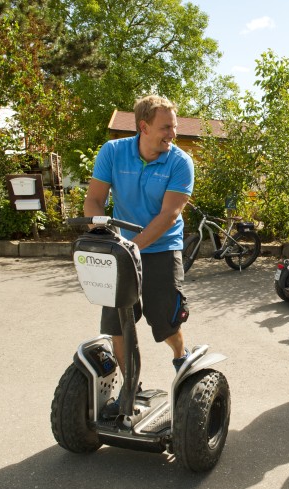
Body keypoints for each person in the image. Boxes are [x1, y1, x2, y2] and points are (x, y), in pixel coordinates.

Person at [83, 95, 194, 416]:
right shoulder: (113, 152)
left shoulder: (179, 162)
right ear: (143, 127)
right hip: (122, 247)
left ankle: (181, 356)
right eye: (166, 127)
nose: (173, 134)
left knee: (165, 320)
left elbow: (169, 215)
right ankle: (132, 385)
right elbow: (94, 200)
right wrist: (99, 233)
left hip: (162, 247)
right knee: (118, 322)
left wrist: (133, 247)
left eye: (174, 126)